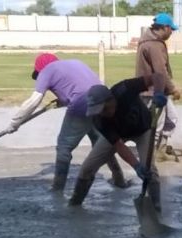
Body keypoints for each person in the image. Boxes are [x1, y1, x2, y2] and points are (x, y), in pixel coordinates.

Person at [7, 53, 128, 192]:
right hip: (103, 103)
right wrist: (64, 100)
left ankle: (57, 188)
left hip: (82, 105)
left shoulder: (46, 71)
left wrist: (14, 122)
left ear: (40, 68)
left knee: (64, 147)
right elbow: (81, 86)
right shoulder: (75, 63)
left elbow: (34, 101)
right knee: (102, 144)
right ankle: (119, 179)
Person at [69, 74, 169, 210]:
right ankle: (75, 204)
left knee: (150, 170)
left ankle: (156, 208)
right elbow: (118, 145)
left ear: (110, 99)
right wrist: (136, 166)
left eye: (104, 109)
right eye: (98, 111)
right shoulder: (99, 120)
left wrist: (158, 92)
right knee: (87, 168)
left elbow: (157, 76)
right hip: (119, 134)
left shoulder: (124, 89)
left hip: (144, 129)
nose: (102, 114)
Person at [135, 13, 182, 150]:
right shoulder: (154, 45)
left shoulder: (147, 41)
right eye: (171, 30)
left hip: (159, 89)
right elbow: (160, 71)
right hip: (153, 92)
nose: (171, 33)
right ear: (165, 28)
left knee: (172, 118)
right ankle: (151, 157)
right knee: (156, 125)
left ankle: (161, 148)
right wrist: (173, 89)